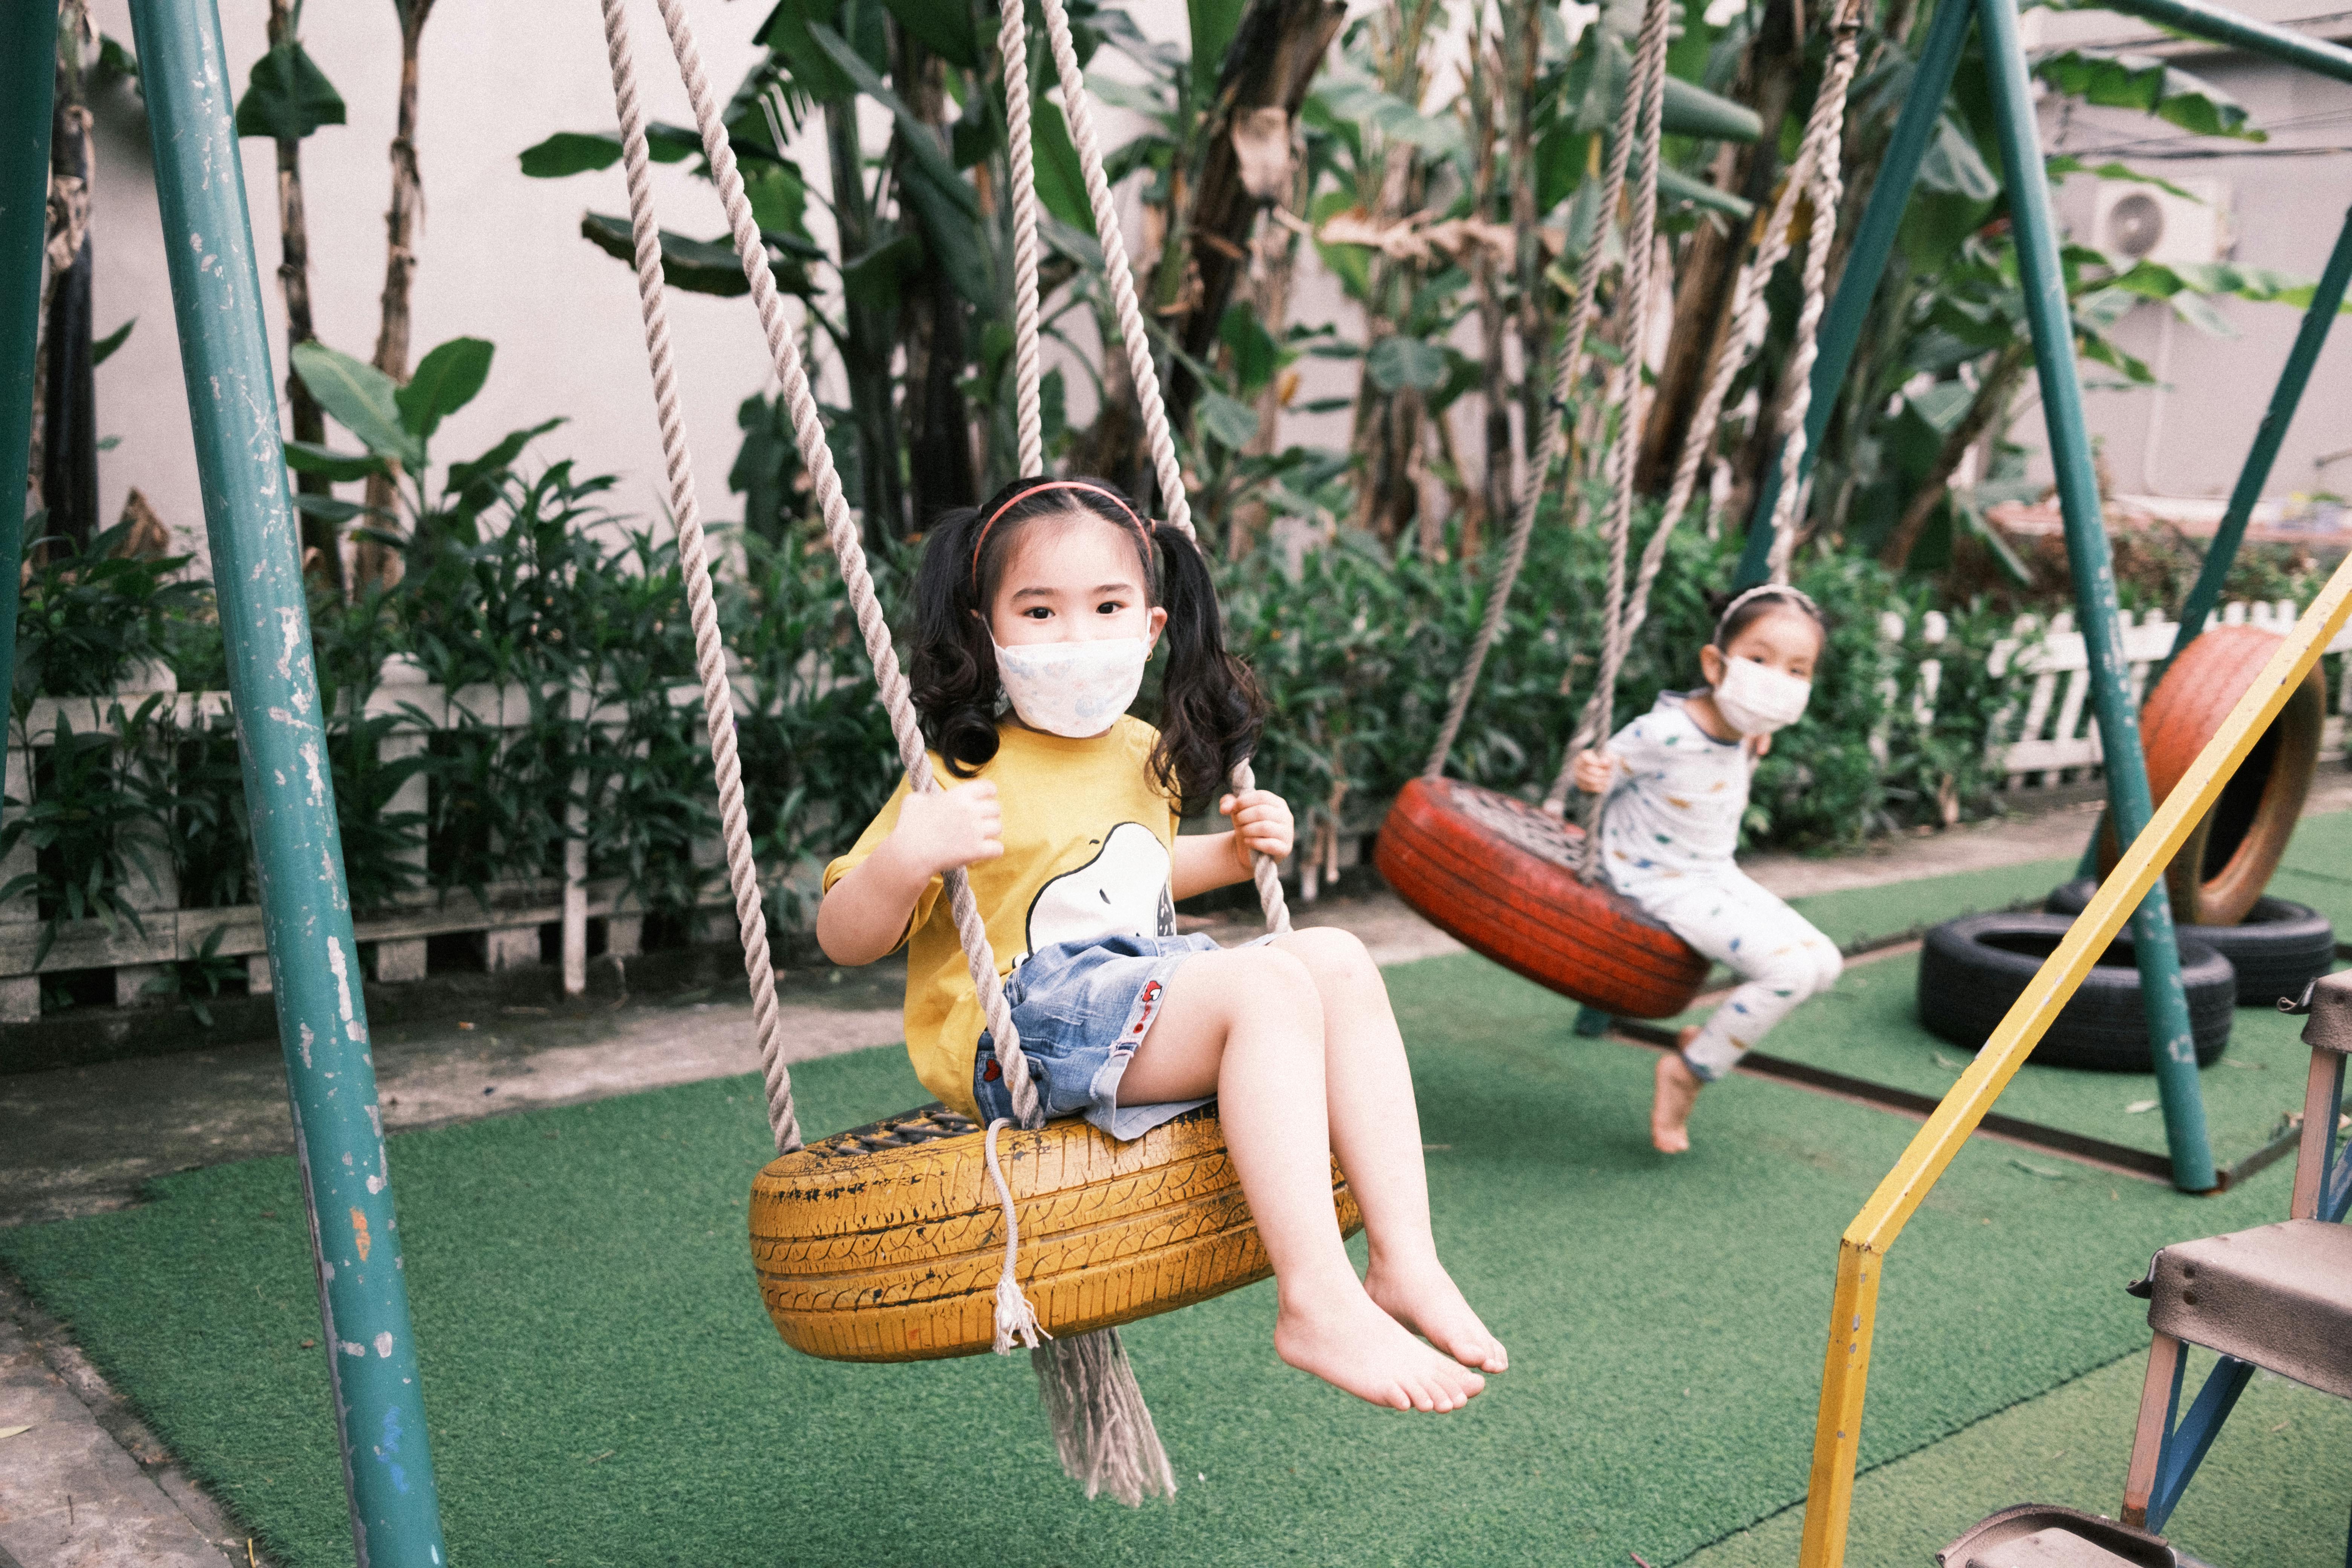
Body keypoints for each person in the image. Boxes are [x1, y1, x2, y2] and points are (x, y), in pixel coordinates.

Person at [817, 477, 1504, 1413]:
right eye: (1040, 611)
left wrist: (1233, 850)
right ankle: (1316, 1298)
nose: (1076, 638)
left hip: (1129, 988)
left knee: (1334, 955)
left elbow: (1127, 872)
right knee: (1263, 992)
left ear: (1149, 627)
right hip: (1018, 1029)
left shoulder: (1138, 748)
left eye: (1106, 609)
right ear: (987, 630)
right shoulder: (958, 769)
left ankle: (1406, 1257)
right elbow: (846, 933)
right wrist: (909, 859)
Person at [1568, 584, 1841, 1154]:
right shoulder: (1665, 732)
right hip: (1653, 877)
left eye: (1798, 670)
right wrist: (1592, 772)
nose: (1776, 680)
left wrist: (1755, 734)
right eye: (1761, 661)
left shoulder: (1746, 730)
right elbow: (1604, 771)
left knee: (1826, 964)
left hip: (1712, 872)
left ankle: (1706, 1044)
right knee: (1788, 971)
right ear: (1715, 665)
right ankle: (1688, 1071)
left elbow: (1747, 730)